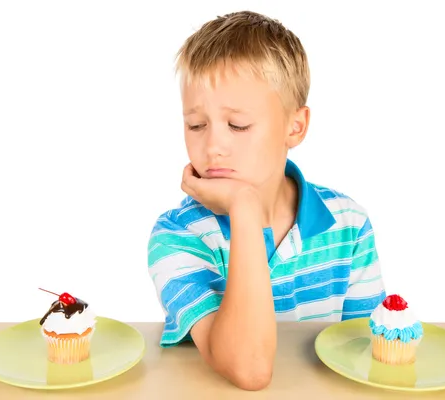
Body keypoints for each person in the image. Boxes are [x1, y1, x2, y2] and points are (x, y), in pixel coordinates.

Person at [146, 10, 386, 391]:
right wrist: (244, 208)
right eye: (196, 124)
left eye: (237, 125)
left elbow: (370, 356)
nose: (213, 146)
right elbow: (249, 369)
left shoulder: (348, 224)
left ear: (295, 126)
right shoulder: (177, 236)